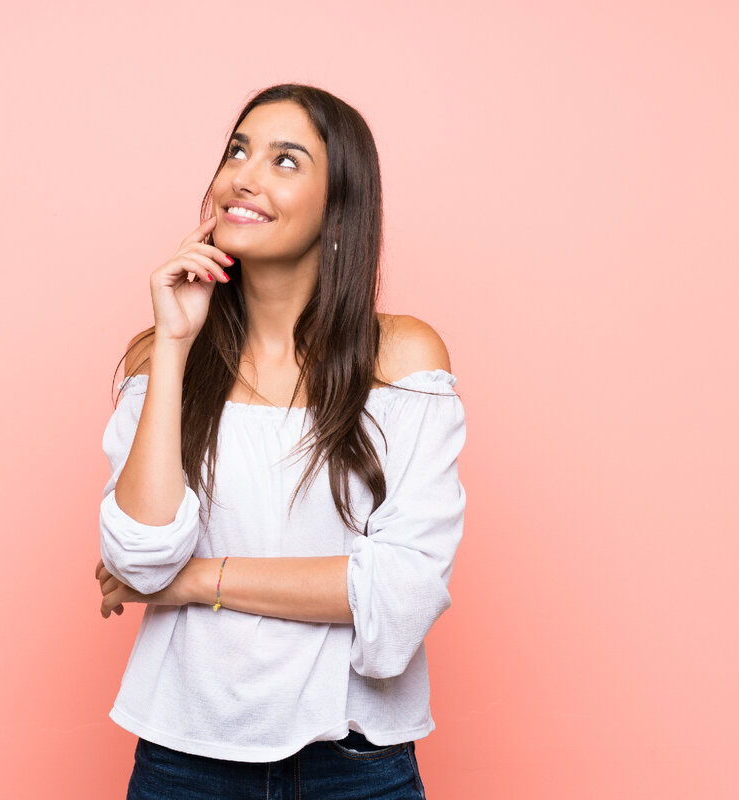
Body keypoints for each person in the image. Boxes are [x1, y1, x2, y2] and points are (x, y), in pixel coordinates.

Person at [93, 83, 467, 800]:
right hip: (183, 758)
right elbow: (139, 556)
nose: (245, 175)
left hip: (354, 762)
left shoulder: (402, 360)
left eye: (285, 160)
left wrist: (193, 581)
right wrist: (173, 343)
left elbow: (401, 590)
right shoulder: (162, 356)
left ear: (339, 205)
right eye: (237, 151)